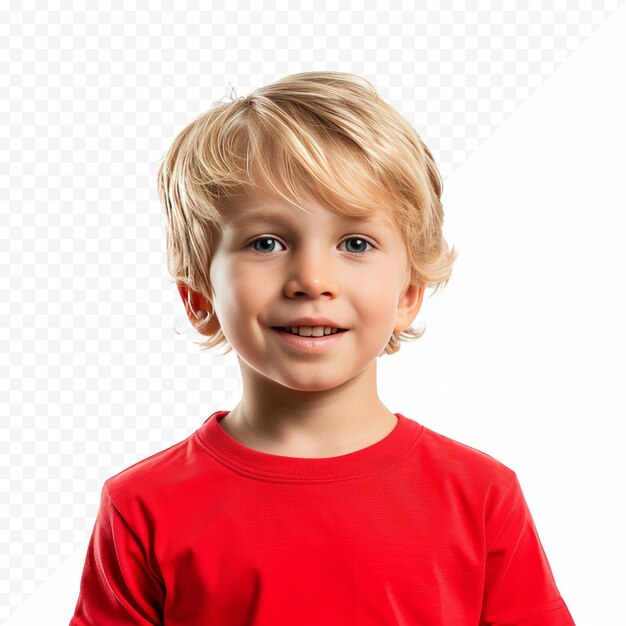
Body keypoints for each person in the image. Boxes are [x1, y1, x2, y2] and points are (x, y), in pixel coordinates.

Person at [69, 71, 575, 625]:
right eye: (266, 242)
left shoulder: (481, 498)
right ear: (199, 296)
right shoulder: (142, 507)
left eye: (355, 243)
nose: (312, 278)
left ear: (407, 295)